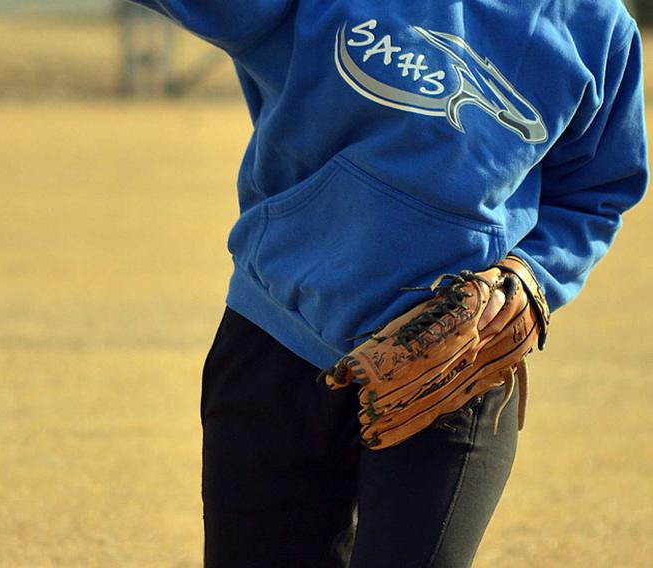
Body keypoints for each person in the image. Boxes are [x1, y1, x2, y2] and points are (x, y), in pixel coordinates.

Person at [124, 1, 648, 566]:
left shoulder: (595, 25)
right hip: (275, 340)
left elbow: (597, 190)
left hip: (454, 367)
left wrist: (533, 274)